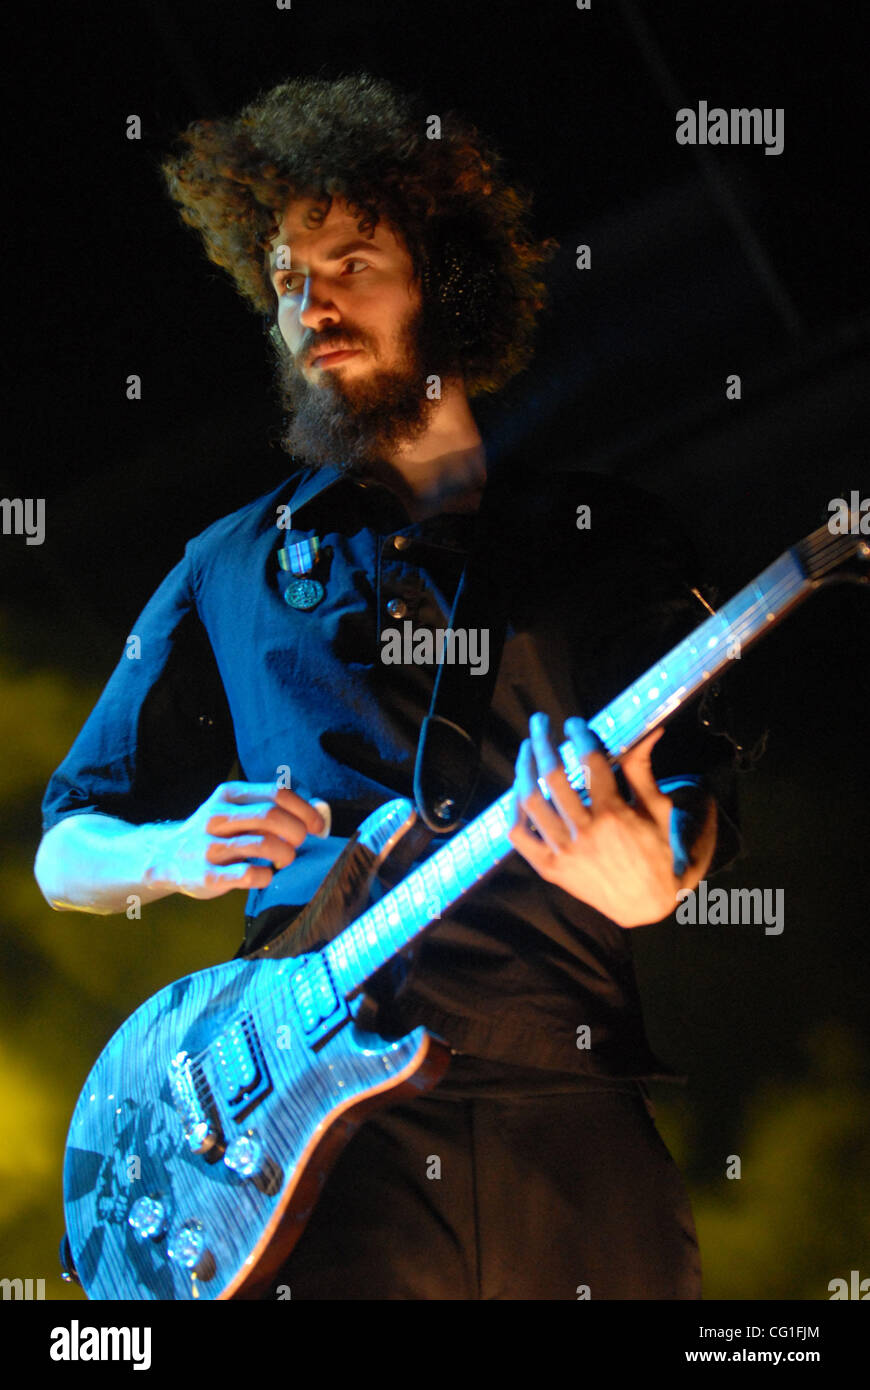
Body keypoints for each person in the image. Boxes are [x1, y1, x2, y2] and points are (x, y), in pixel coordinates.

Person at [35, 73, 739, 1300]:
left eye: (351, 263)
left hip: (568, 1108)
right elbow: (63, 851)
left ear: (445, 285)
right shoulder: (228, 565)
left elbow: (684, 817)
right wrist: (173, 852)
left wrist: (644, 873)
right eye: (285, 276)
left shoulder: (607, 536)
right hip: (312, 1144)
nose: (311, 304)